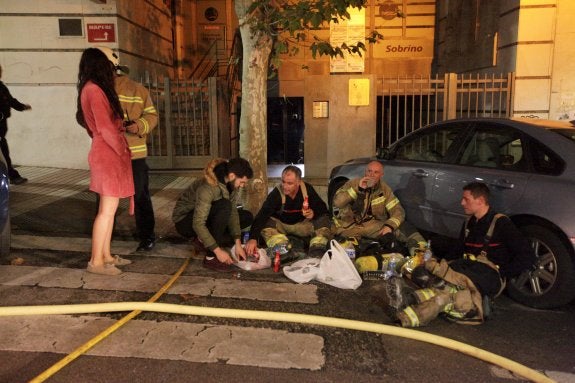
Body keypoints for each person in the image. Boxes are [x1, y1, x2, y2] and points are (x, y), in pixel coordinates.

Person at [376, 182, 536, 327]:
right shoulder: (469, 224)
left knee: (447, 294)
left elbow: (527, 257)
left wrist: (502, 272)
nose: (462, 203)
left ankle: (407, 312)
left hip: (486, 277)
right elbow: (457, 251)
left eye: (466, 199)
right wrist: (438, 264)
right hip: (465, 270)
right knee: (424, 273)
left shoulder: (502, 224)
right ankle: (409, 299)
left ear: (480, 201)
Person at [76, 48, 135, 276]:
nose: (113, 72)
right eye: (111, 67)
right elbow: (106, 127)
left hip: (105, 151)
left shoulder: (90, 88)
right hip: (108, 153)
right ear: (101, 64)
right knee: (106, 212)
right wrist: (120, 149)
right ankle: (96, 262)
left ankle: (106, 256)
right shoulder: (94, 89)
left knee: (108, 210)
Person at [95, 47, 159, 252]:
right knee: (140, 196)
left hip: (126, 153)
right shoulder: (99, 89)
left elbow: (152, 117)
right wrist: (140, 125)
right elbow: (152, 117)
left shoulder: (135, 89)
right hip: (125, 153)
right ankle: (145, 238)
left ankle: (107, 238)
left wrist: (137, 125)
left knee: (110, 199)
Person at [172, 157, 253, 272]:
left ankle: (203, 240)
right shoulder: (208, 187)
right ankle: (210, 257)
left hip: (209, 215)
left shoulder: (230, 184)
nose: (242, 186)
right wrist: (217, 251)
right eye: (242, 182)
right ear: (232, 176)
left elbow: (233, 212)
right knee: (224, 206)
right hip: (185, 221)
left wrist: (238, 242)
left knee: (246, 216)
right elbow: (198, 223)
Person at [332, 160, 426, 255]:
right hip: (349, 226)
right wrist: (358, 189)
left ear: (381, 175)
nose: (371, 175)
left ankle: (422, 253)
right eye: (369, 171)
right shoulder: (352, 183)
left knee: (405, 228)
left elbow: (398, 210)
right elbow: (338, 203)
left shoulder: (384, 189)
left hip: (371, 225)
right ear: (365, 172)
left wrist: (389, 226)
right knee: (350, 250)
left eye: (376, 172)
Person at [244, 165, 332, 260]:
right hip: (282, 228)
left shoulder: (307, 190)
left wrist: (313, 213)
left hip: (302, 227)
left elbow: (323, 210)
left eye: (289, 183)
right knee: (265, 222)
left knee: (324, 220)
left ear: (299, 182)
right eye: (283, 182)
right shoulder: (277, 193)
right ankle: (282, 249)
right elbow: (262, 215)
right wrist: (252, 238)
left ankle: (316, 250)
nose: (285, 186)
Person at [0, 64, 31, 185]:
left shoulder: (1, 87)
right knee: (4, 151)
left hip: (2, 126)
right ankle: (12, 175)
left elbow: (10, 100)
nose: (1, 72)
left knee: (3, 151)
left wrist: (22, 107)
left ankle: (11, 175)